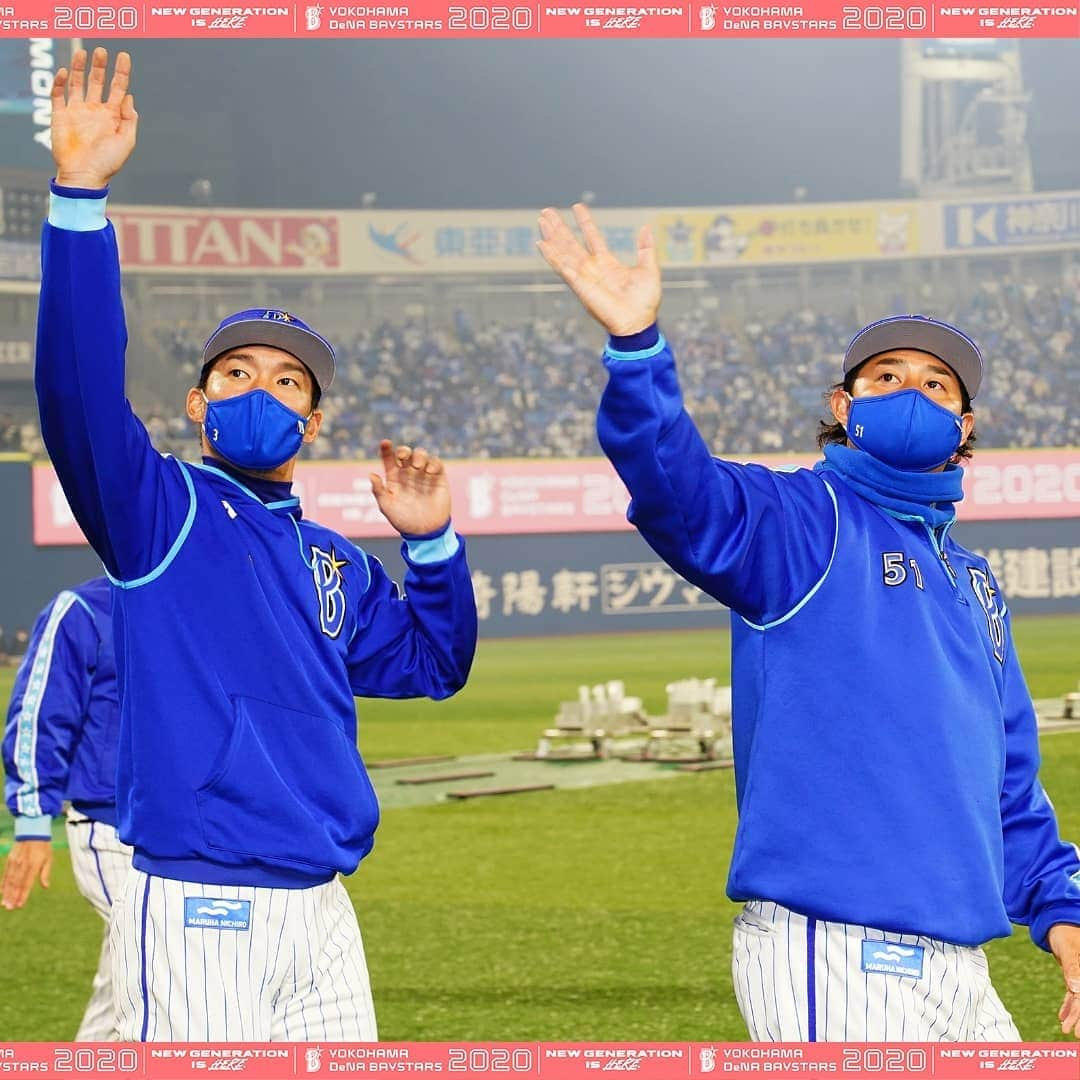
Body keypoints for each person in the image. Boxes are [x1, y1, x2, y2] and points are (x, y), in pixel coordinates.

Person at [537, 203, 1080, 1042]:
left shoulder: (975, 582)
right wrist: (637, 346)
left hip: (965, 966)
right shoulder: (802, 522)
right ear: (844, 402)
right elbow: (677, 489)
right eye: (887, 375)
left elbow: (1008, 776)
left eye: (938, 384)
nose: (913, 391)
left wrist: (1064, 915)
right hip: (837, 948)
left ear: (964, 427)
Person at [36, 48, 477, 1043]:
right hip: (201, 898)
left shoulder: (335, 561)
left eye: (288, 381)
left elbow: (433, 666)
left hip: (322, 902)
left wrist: (434, 546)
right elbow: (75, 392)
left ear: (312, 421)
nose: (259, 390)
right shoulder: (162, 512)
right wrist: (78, 200)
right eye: (234, 372)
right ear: (197, 402)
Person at [2, 577, 130, 1041]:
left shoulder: (192, 609)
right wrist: (33, 825)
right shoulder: (82, 608)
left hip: (186, 830)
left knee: (129, 976)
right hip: (109, 827)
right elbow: (39, 715)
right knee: (161, 956)